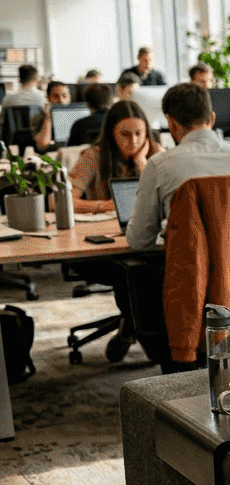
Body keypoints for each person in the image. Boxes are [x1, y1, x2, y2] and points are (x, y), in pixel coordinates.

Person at [68, 98, 165, 361]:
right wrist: (103, 206)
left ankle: (132, 327)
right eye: (125, 134)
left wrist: (145, 162)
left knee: (156, 269)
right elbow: (62, 201)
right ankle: (137, 329)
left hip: (145, 241)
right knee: (132, 270)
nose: (133, 141)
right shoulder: (93, 156)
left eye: (139, 134)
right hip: (101, 250)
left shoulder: (157, 154)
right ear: (111, 132)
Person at [125, 83, 230, 250]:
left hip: (194, 273)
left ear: (171, 123)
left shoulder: (160, 165)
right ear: (212, 118)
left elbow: (139, 241)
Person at [67, 83, 115, 147]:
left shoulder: (79, 125)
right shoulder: (117, 120)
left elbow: (70, 151)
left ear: (88, 105)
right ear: (111, 102)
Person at [30, 80, 72, 151]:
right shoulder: (39, 117)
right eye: (55, 96)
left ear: (69, 97)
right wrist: (48, 117)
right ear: (48, 98)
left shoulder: (76, 116)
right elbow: (42, 145)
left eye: (64, 96)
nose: (61, 100)